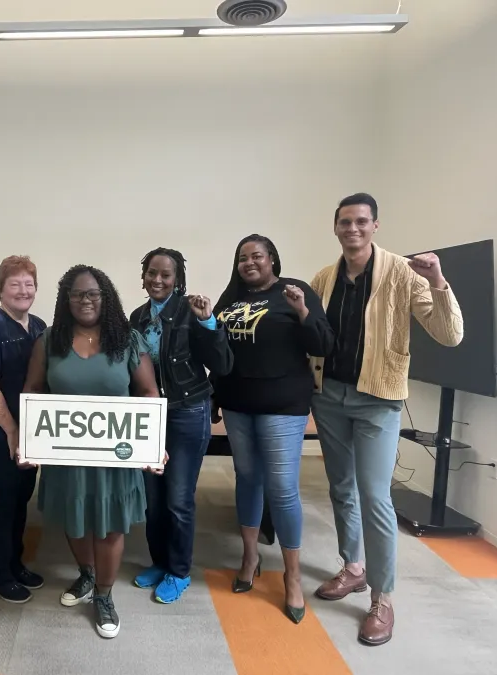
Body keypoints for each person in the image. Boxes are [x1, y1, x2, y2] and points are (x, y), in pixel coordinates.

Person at [310, 193, 463, 646]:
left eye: (361, 222)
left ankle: (382, 597)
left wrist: (438, 281)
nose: (352, 229)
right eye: (344, 222)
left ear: (375, 225)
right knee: (340, 487)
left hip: (378, 398)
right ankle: (353, 568)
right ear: (335, 227)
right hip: (330, 396)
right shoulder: (324, 277)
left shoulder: (403, 272)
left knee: (375, 495)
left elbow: (449, 334)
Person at [22, 265, 164, 640]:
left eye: (93, 294)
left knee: (111, 525)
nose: (85, 301)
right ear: (65, 300)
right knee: (75, 518)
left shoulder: (128, 340)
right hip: (66, 452)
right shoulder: (49, 341)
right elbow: (34, 391)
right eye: (77, 294)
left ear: (106, 298)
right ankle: (86, 574)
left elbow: (149, 393)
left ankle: (104, 594)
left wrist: (153, 444)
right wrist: (29, 440)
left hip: (114, 455)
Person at [210, 234, 334, 624]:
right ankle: (250, 557)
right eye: (242, 258)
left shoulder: (295, 292)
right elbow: (217, 349)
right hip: (237, 403)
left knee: (282, 489)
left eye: (257, 256)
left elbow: (324, 343)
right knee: (247, 479)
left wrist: (302, 311)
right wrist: (214, 392)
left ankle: (292, 576)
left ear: (272, 260)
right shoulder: (230, 298)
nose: (249, 263)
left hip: (283, 405)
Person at [130, 248, 233, 604]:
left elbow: (222, 362)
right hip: (149, 415)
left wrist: (209, 323)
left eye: (166, 275)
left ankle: (179, 571)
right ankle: (159, 563)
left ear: (178, 280)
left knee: (178, 499)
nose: (157, 280)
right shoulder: (137, 316)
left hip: (187, 412)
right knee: (153, 500)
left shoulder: (192, 312)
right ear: (143, 276)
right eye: (151, 273)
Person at [0, 256, 47, 603]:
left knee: (20, 499)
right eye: (14, 284)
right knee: (2, 502)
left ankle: (14, 563)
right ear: (0, 289)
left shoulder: (39, 327)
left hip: (31, 433)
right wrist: (13, 431)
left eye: (28, 284)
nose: (23, 290)